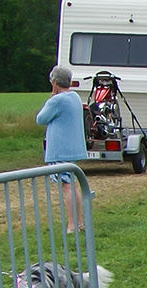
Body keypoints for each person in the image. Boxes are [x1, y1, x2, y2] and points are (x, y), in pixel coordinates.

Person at [37, 65, 87, 234]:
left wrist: (51, 96)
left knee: (67, 186)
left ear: (55, 82)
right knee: (73, 184)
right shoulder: (74, 97)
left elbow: (41, 119)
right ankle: (79, 222)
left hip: (60, 150)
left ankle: (73, 224)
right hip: (73, 148)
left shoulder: (56, 100)